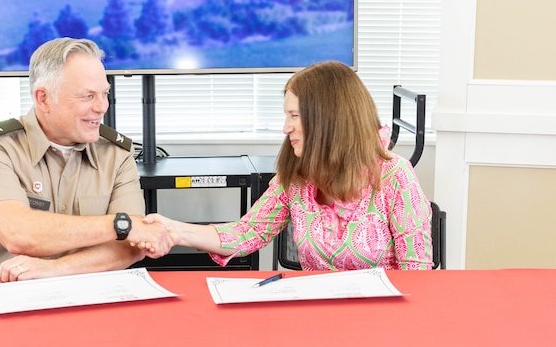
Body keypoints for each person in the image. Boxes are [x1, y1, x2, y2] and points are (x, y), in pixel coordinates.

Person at [143, 61, 433, 270]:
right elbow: (247, 233)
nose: (286, 128)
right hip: (316, 319)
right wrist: (176, 230)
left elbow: (417, 274)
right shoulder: (296, 176)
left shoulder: (396, 176)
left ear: (327, 120)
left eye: (294, 116)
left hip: (380, 323)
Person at [0, 38, 173, 281]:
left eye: (105, 94)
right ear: (43, 99)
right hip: (2, 294)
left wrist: (53, 270)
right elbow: (18, 233)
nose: (102, 106)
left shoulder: (117, 154)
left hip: (89, 298)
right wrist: (119, 225)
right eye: (87, 96)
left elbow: (130, 247)